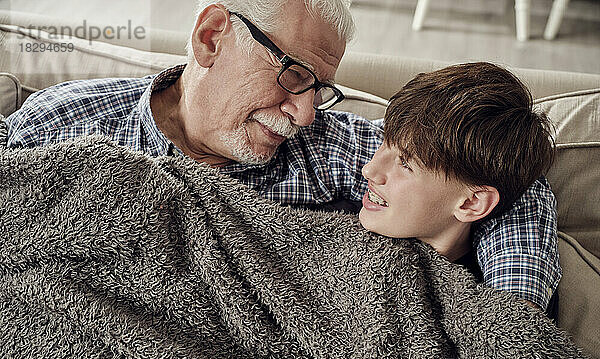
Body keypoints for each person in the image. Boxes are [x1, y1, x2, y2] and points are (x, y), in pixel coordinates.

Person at [3, 0, 560, 310]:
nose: (306, 112)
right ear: (213, 37)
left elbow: (516, 186)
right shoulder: (69, 122)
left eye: (320, 88)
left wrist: (505, 322)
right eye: (293, 75)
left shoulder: (325, 148)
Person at [358, 62, 556, 304]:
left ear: (472, 203)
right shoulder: (340, 208)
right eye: (385, 141)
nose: (369, 169)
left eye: (406, 164)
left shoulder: (488, 298)